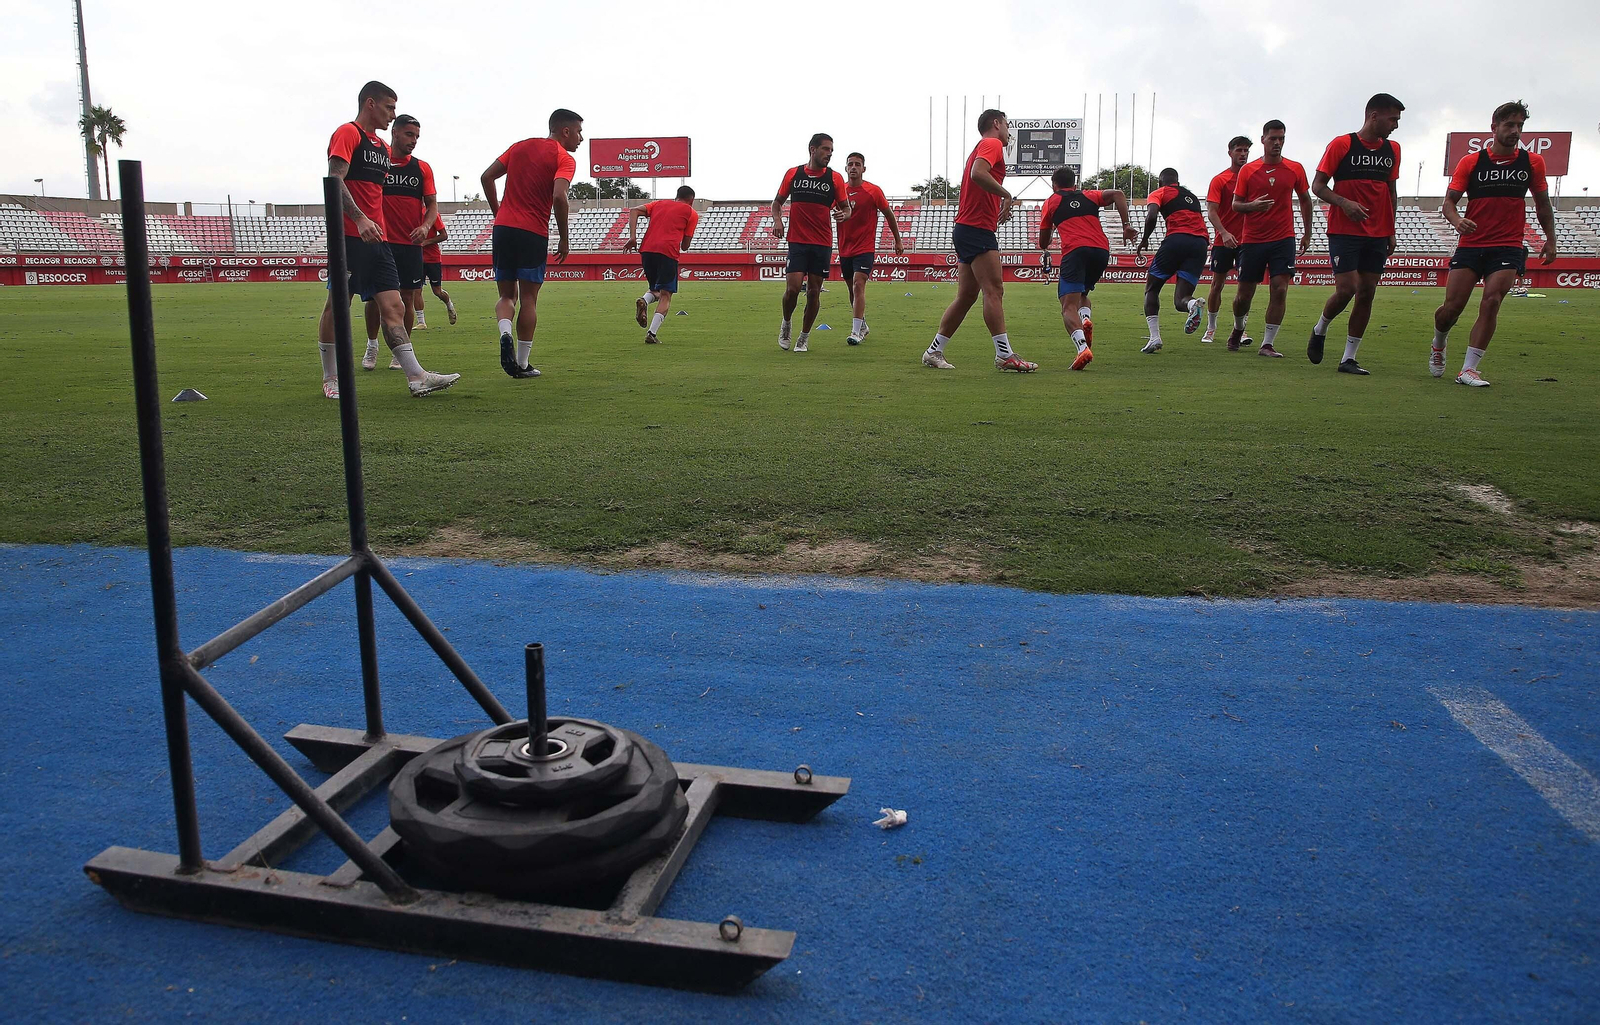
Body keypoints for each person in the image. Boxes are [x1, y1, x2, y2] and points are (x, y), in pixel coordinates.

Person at [319, 81, 458, 399]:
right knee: (337, 306)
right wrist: (359, 218)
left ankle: (416, 376)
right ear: (371, 104)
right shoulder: (348, 133)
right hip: (350, 238)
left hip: (377, 241)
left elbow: (374, 195)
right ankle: (331, 379)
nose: (392, 114)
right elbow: (334, 179)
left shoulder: (381, 149)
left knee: (394, 306)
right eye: (389, 108)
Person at [1433, 100, 1557, 387]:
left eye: (1520, 126)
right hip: (1471, 244)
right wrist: (1457, 221)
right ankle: (1439, 341)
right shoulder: (1472, 162)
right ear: (1494, 127)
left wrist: (1550, 240)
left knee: (1492, 301)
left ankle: (1469, 369)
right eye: (1510, 125)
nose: (1516, 131)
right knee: (1452, 309)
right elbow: (1448, 203)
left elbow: (1542, 204)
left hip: (1509, 245)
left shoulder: (1532, 162)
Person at [923, 109, 1036, 372]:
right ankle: (1004, 355)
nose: (1009, 131)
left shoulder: (983, 146)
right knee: (994, 290)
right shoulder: (992, 143)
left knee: (966, 296)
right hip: (975, 229)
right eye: (1007, 124)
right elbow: (978, 173)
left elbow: (978, 177)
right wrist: (1007, 195)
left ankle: (933, 351)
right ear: (996, 124)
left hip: (967, 228)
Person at [1307, 93, 1405, 375]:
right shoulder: (1342, 144)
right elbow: (1318, 186)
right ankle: (1321, 327)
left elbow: (1391, 191)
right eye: (1392, 119)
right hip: (1344, 229)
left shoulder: (1393, 149)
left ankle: (1349, 358)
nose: (1395, 126)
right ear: (1374, 116)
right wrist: (1344, 203)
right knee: (1347, 288)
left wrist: (1391, 230)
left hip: (1378, 232)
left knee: (1367, 292)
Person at [481, 108, 581, 379]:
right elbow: (560, 197)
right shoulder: (564, 158)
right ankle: (522, 365)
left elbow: (486, 177)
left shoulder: (519, 147)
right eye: (579, 132)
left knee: (506, 295)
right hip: (532, 231)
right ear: (566, 131)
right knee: (529, 299)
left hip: (503, 228)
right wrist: (564, 237)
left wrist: (497, 212)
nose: (581, 139)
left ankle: (504, 333)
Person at [1227, 120, 1312, 357]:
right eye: (1273, 138)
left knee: (1280, 289)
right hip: (1253, 239)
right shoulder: (1248, 170)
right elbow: (1236, 205)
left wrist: (1307, 232)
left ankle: (1267, 343)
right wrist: (1252, 206)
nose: (1277, 143)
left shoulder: (1295, 168)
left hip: (1283, 238)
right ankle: (1238, 328)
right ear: (1263, 139)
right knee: (1244, 294)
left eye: (1281, 138)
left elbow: (1305, 199)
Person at [1038, 166, 1135, 369]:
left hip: (1075, 250)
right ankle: (1086, 318)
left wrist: (1052, 230)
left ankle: (1082, 348)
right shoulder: (1090, 196)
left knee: (1067, 305)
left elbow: (1043, 242)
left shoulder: (1051, 202)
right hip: (1100, 250)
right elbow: (1118, 194)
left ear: (1054, 185)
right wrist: (1126, 225)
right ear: (1074, 183)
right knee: (1083, 294)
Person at [362, 114, 436, 370]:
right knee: (372, 298)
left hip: (409, 245)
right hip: (380, 241)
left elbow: (432, 205)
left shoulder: (422, 168)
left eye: (416, 136)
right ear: (394, 133)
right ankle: (372, 346)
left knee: (407, 297)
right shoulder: (379, 161)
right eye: (409, 135)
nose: (413, 141)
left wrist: (426, 226)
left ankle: (399, 352)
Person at [771, 134, 852, 353]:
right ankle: (786, 323)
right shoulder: (793, 174)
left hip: (822, 243)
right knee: (793, 289)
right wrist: (778, 221)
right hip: (797, 240)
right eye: (826, 149)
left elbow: (846, 207)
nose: (829, 154)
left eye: (831, 150)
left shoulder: (834, 179)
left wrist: (845, 214)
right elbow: (777, 203)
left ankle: (804, 337)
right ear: (812, 149)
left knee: (814, 292)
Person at [1136, 168, 1210, 353]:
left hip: (1177, 240)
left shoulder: (1159, 192)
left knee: (1151, 289)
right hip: (1200, 244)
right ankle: (1193, 305)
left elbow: (1152, 215)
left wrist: (1145, 239)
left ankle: (1155, 338)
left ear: (1160, 182)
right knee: (1181, 300)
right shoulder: (1191, 196)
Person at [837, 152, 905, 345]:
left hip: (864, 247)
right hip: (844, 248)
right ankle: (863, 325)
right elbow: (828, 210)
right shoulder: (839, 191)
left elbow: (889, 214)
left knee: (859, 284)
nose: (853, 167)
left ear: (863, 169)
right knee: (852, 289)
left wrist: (897, 240)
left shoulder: (873, 191)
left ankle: (856, 332)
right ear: (845, 168)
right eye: (850, 164)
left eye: (857, 164)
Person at [624, 186, 699, 344]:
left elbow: (634, 210)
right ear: (691, 200)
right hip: (668, 252)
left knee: (656, 290)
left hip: (646, 250)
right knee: (666, 295)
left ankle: (644, 300)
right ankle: (651, 333)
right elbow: (685, 246)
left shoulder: (658, 204)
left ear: (676, 195)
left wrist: (632, 237)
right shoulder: (691, 213)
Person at [1202, 137, 1252, 342]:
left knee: (1245, 288)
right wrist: (1223, 232)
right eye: (1239, 150)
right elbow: (1212, 211)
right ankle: (1211, 328)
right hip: (1224, 241)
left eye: (1246, 150)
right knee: (1217, 284)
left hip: (1248, 241)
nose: (1243, 154)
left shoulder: (1253, 178)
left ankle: (1240, 330)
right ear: (1230, 152)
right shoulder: (1220, 180)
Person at [414, 216, 456, 330]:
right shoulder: (411, 213)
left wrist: (426, 242)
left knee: (437, 291)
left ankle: (449, 305)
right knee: (416, 290)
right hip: (417, 259)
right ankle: (421, 322)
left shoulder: (432, 215)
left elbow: (444, 235)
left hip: (433, 259)